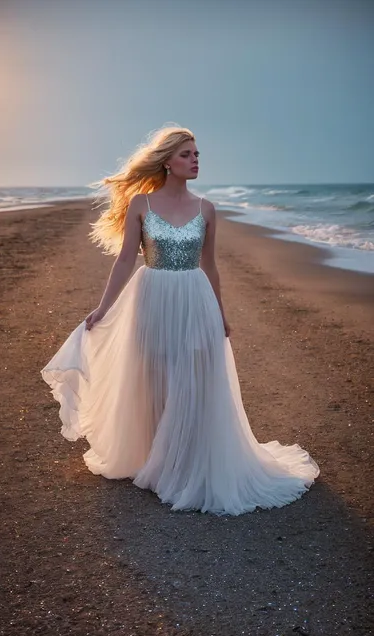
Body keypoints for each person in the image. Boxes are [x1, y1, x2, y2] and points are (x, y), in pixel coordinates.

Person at [41, 125, 320, 515]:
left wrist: (221, 313)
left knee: (194, 376)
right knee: (153, 372)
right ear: (167, 162)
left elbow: (210, 265)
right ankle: (156, 458)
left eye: (197, 154)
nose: (195, 160)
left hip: (195, 299)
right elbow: (125, 260)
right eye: (187, 154)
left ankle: (189, 461)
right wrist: (103, 308)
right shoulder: (141, 204)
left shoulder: (207, 208)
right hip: (152, 297)